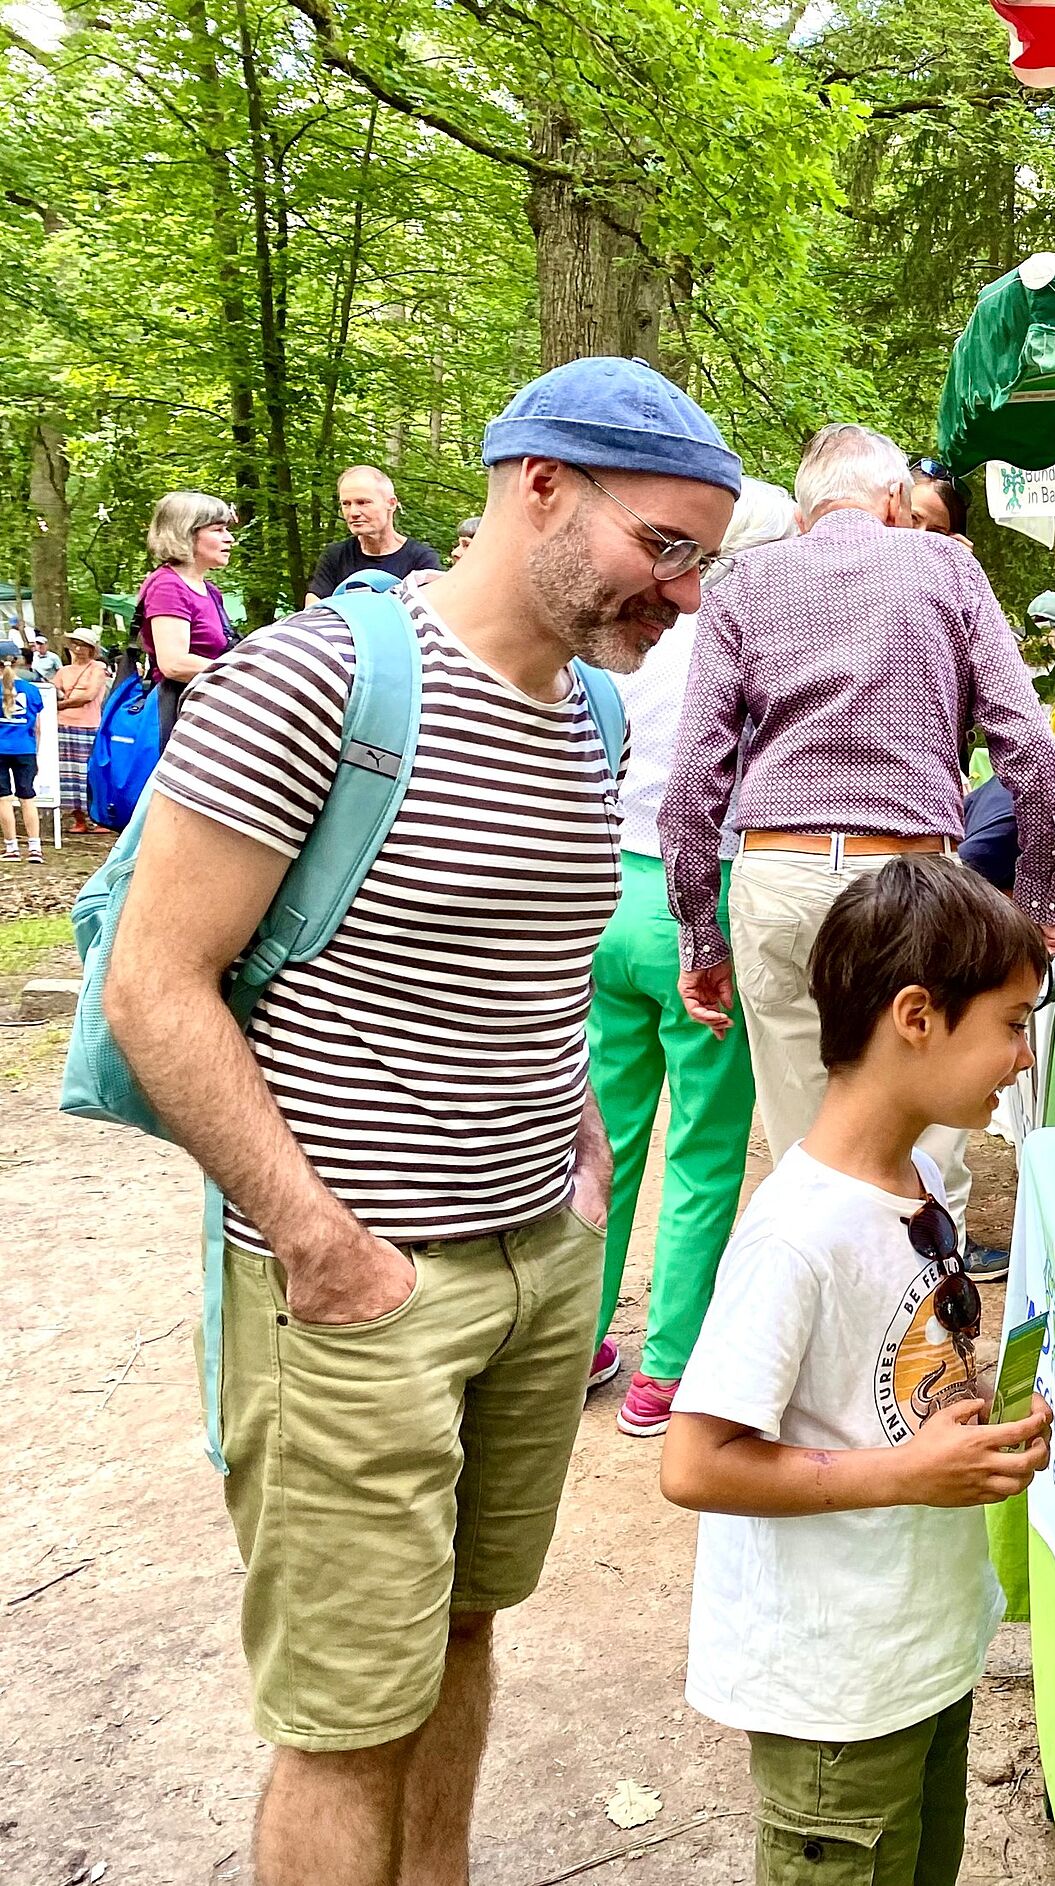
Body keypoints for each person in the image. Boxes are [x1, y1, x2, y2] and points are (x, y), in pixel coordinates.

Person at [103, 355, 741, 1886]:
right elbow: (155, 984)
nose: (688, 595)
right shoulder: (317, 676)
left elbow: (519, 955)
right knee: (344, 1714)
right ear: (541, 491)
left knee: (459, 1633)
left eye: (706, 561)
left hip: (535, 1270)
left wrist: (581, 1138)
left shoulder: (588, 711)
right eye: (667, 548)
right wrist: (318, 1244)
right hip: (355, 1286)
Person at [660, 855, 1054, 1886]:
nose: (1021, 1056)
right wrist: (907, 1475)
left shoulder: (911, 1174)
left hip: (918, 1655)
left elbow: (890, 1384)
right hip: (835, 1698)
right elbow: (695, 1463)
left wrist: (975, 1433)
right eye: (1011, 1024)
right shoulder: (797, 1234)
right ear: (917, 1014)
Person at [661, 423, 1055, 1273]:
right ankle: (920, 1363)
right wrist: (1036, 907)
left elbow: (692, 784)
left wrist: (700, 940)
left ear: (805, 512)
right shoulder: (947, 567)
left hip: (778, 874)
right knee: (928, 1146)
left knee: (811, 1155)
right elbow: (1032, 752)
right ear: (894, 500)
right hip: (912, 883)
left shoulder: (742, 582)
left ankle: (820, 1382)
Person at [589, 477, 796, 1440]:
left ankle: (576, 1338)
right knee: (707, 1148)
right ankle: (667, 1368)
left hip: (609, 899)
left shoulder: (644, 644)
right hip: (699, 899)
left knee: (606, 1138)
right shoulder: (758, 649)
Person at [137, 490, 239, 746]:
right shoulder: (168, 586)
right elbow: (174, 664)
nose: (230, 538)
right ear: (186, 533)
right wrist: (244, 671)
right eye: (218, 530)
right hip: (179, 717)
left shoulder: (209, 590)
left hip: (204, 709)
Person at [305, 465, 444, 605]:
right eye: (346, 504)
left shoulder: (421, 560)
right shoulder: (336, 556)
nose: (353, 512)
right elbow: (313, 605)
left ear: (391, 503)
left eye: (363, 502)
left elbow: (432, 614)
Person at [55, 627, 110, 834]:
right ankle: (78, 819)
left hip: (88, 725)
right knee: (67, 774)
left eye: (83, 645)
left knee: (90, 772)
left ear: (91, 649)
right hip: (63, 725)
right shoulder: (63, 671)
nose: (78, 649)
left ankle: (99, 818)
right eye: (75, 644)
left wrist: (62, 704)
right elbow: (53, 690)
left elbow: (89, 695)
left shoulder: (97, 668)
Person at [0, 642, 41, 863]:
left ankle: (11, 847)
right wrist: (37, 752)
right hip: (25, 748)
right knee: (28, 796)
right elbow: (37, 727)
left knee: (3, 799)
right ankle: (35, 848)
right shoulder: (32, 690)